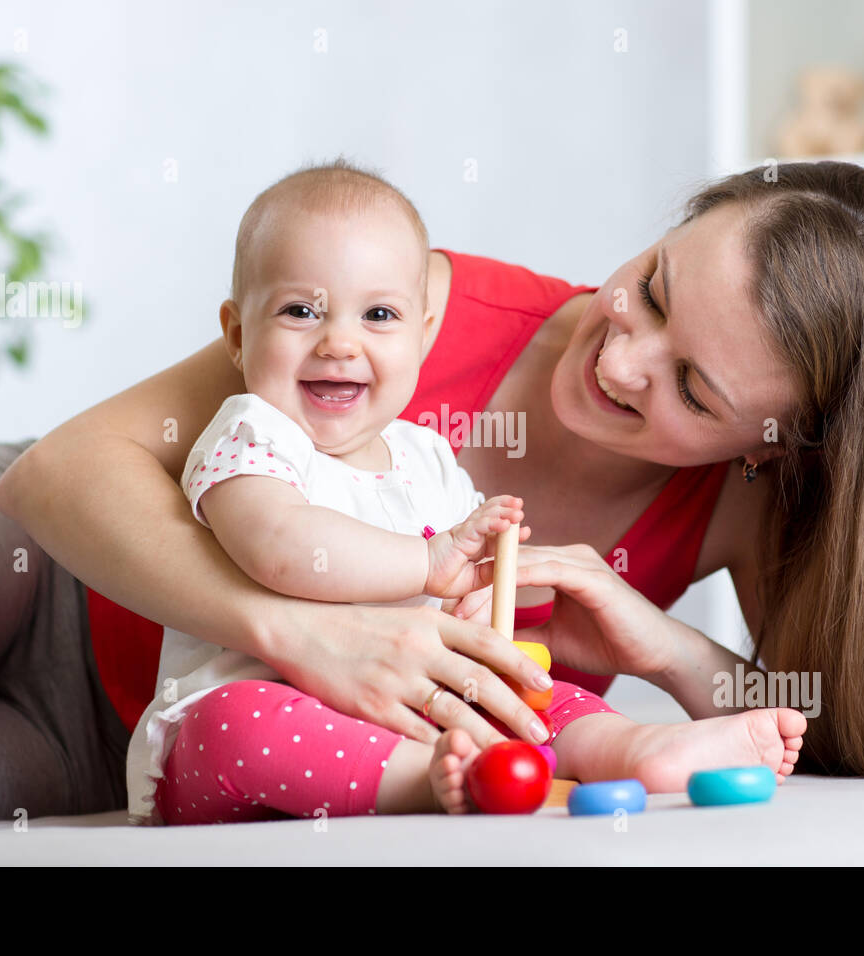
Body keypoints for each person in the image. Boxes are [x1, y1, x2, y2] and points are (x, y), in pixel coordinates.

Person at [0, 160, 864, 824]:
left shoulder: (734, 506)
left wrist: (663, 646)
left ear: (771, 447)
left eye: (690, 391)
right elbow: (65, 475)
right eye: (649, 285)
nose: (615, 356)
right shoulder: (407, 301)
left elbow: (821, 727)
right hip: (23, 570)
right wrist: (293, 624)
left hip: (125, 749)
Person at [127, 161, 805, 824]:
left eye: (379, 316)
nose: (339, 342)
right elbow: (279, 548)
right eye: (302, 312)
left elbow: (466, 590)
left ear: (422, 337)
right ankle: (431, 782)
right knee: (239, 727)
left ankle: (635, 749)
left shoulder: (423, 453)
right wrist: (433, 560)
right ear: (239, 336)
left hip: (416, 705)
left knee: (534, 689)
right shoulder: (251, 433)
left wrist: (503, 590)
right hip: (248, 711)